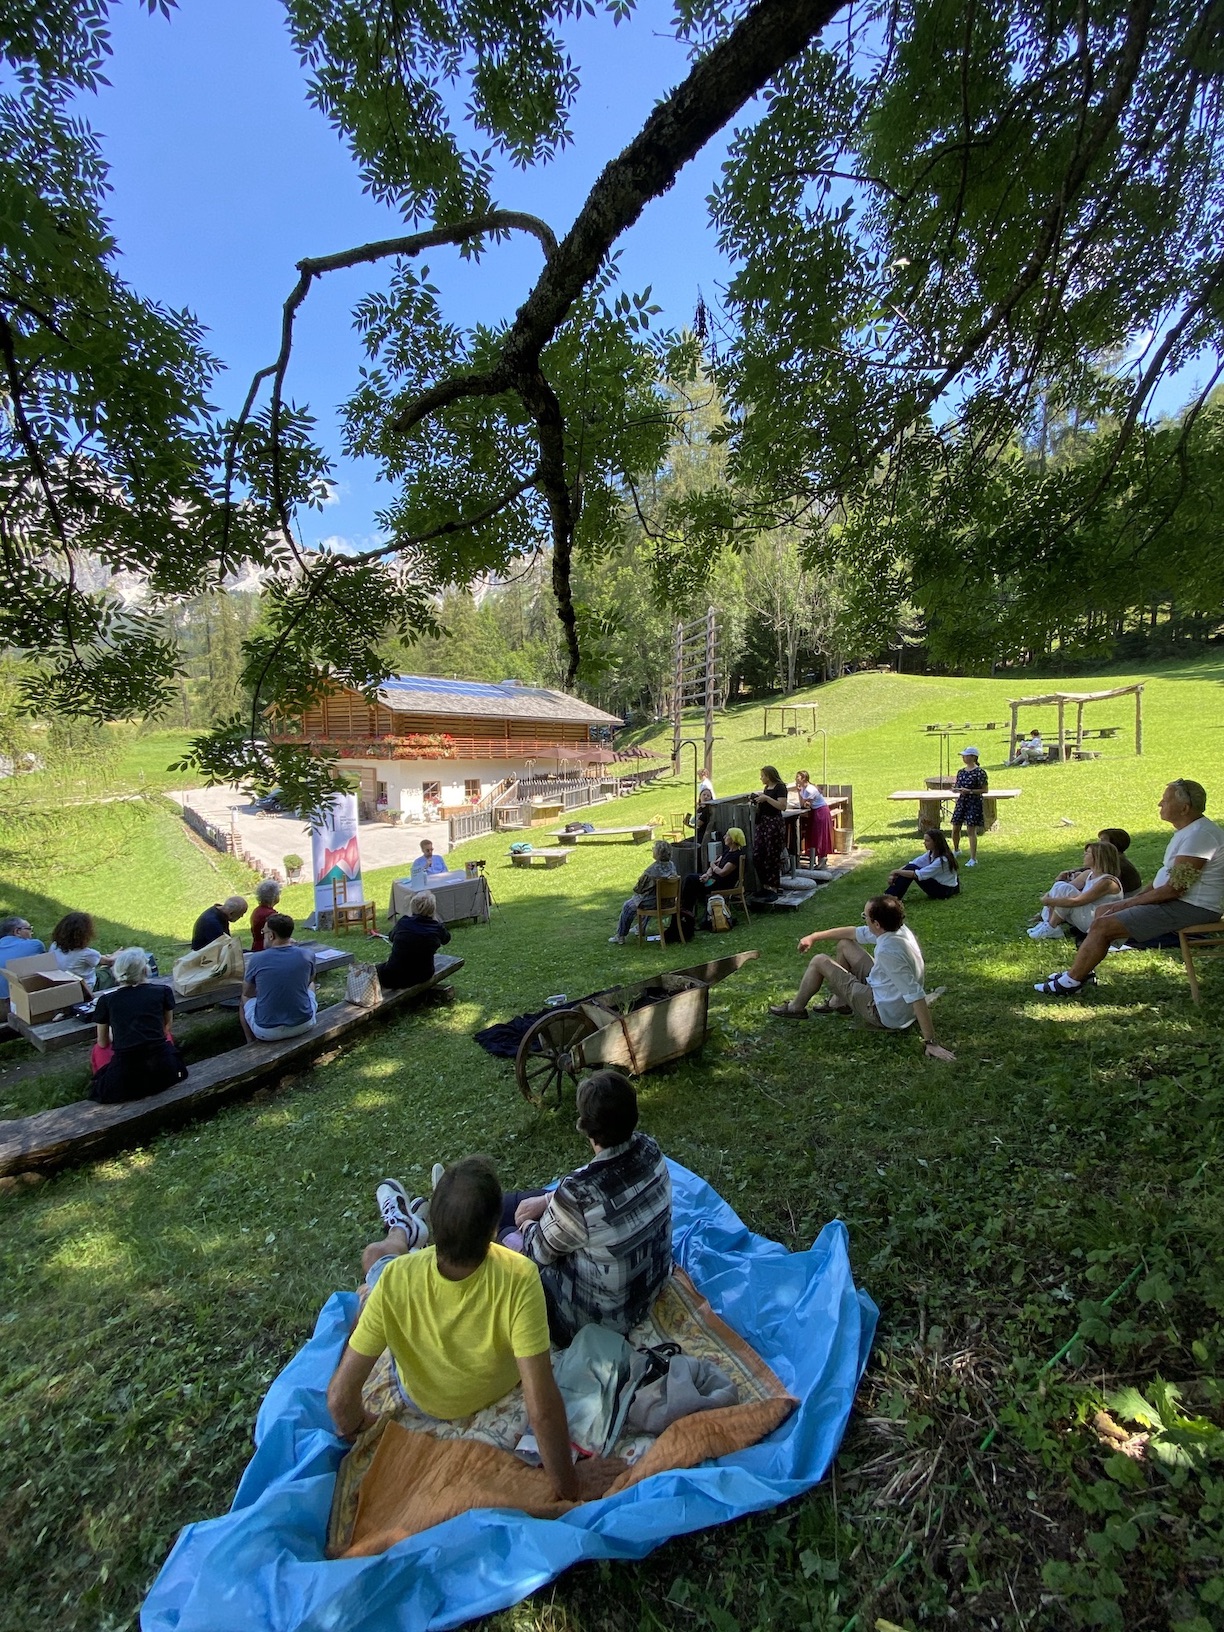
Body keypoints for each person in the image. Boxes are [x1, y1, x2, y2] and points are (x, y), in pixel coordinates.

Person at [328, 1156, 619, 1503]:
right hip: (495, 1386)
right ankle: (403, 1229)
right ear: (494, 1229)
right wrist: (569, 1484)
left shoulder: (395, 1281)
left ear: (439, 1225)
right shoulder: (520, 1276)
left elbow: (340, 1400)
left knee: (375, 1262)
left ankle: (402, 1231)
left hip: (420, 1401)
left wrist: (360, 1424)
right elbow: (540, 1407)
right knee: (377, 1260)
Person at [497, 1070, 673, 1345]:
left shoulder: (577, 1196)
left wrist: (526, 1224)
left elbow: (536, 1253)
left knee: (504, 1228)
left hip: (599, 1322)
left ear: (586, 1128)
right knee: (523, 1201)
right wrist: (546, 1201)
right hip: (653, 1285)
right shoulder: (650, 1148)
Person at [1036, 779, 1224, 996]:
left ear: (1184, 808)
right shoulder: (1190, 832)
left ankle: (1071, 982)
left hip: (1191, 907)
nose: (1159, 803)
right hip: (1179, 903)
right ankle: (1079, 973)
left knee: (1104, 925)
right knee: (1102, 917)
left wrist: (1128, 903)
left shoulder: (1200, 836)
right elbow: (1164, 879)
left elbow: (1176, 888)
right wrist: (1136, 899)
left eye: (1166, 800)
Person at [768, 894, 955, 1060]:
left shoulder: (888, 951)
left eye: (865, 916)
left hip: (882, 1012)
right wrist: (814, 936)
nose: (863, 919)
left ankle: (795, 1008)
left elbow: (915, 995)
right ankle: (838, 1002)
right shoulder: (897, 930)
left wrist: (931, 1042)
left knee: (819, 960)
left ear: (876, 924)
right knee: (844, 944)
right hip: (885, 991)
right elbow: (851, 933)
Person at [89, 947, 187, 1104]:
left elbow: (103, 1042)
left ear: (117, 972)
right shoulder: (162, 991)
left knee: (99, 1050)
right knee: (165, 1038)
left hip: (125, 1080)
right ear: (145, 970)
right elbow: (165, 1028)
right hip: (166, 1071)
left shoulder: (106, 1001)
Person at [240, 912, 318, 1041]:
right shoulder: (308, 954)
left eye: (263, 932)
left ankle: (250, 1041)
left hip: (267, 1032)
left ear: (271, 935)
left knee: (244, 998)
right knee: (311, 985)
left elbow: (248, 992)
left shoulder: (257, 959)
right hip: (304, 1024)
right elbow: (308, 982)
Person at [1028, 840, 1124, 941]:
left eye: (1087, 853)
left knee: (1066, 894)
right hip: (1086, 916)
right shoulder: (1088, 874)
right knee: (1062, 887)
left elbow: (1078, 901)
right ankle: (1049, 925)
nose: (1084, 855)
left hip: (1096, 922)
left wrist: (1047, 901)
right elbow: (1061, 889)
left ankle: (1051, 926)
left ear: (1098, 857)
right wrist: (1056, 884)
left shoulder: (1107, 882)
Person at [377, 889, 451, 990]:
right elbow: (446, 939)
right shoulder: (437, 928)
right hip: (422, 974)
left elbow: (391, 937)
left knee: (377, 969)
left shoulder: (403, 922)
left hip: (393, 977)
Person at [609, 839, 678, 944]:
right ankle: (639, 928)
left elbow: (640, 888)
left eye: (654, 849)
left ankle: (620, 935)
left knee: (628, 905)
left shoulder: (651, 870)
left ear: (658, 853)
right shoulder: (671, 865)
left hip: (655, 903)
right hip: (669, 902)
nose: (652, 850)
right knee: (647, 900)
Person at [681, 827, 746, 923]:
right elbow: (715, 865)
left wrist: (711, 865)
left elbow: (722, 872)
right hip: (713, 880)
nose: (724, 837)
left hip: (721, 884)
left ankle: (686, 911)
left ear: (733, 839)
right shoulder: (727, 852)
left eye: (727, 835)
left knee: (691, 880)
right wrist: (707, 874)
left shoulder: (736, 856)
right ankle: (687, 910)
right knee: (690, 879)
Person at [885, 830, 960, 901]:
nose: (924, 843)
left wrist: (896, 871)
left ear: (936, 842)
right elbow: (912, 863)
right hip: (950, 886)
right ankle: (891, 895)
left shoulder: (943, 859)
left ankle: (890, 897)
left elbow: (918, 875)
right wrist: (895, 873)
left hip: (945, 890)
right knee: (910, 867)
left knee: (911, 869)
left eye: (927, 841)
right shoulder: (932, 853)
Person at [49, 911, 114, 992]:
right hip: (85, 989)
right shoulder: (87, 954)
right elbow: (109, 962)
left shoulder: (54, 946)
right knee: (112, 971)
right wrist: (120, 954)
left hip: (63, 984)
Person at [751, 765, 789, 896]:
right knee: (758, 855)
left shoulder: (780, 787)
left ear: (769, 776)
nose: (761, 778)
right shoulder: (767, 788)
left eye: (762, 776)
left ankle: (773, 886)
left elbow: (782, 806)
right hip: (763, 822)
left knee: (771, 855)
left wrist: (766, 798)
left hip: (774, 823)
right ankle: (765, 884)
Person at [950, 747, 989, 866]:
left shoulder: (980, 772)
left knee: (971, 830)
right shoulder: (961, 772)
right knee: (956, 826)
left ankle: (973, 858)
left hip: (974, 802)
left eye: (966, 756)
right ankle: (956, 850)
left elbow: (985, 790)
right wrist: (956, 790)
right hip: (962, 802)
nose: (963, 758)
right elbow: (958, 786)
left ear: (973, 757)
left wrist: (970, 791)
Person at [795, 770, 834, 869]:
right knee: (814, 835)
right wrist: (799, 792)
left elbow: (804, 804)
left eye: (798, 777)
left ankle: (822, 859)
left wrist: (801, 796)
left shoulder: (810, 790)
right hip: (815, 812)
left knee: (820, 835)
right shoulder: (804, 789)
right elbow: (802, 804)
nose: (796, 779)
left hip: (821, 812)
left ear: (803, 778)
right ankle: (818, 859)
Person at [0, 915, 44, 999]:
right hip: (13, 1000)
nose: (31, 933)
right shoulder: (35, 945)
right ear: (17, 931)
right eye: (29, 929)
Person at [1098, 828, 1143, 896]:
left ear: (1114, 844)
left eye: (1102, 840)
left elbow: (1101, 884)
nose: (1098, 844)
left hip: (1126, 898)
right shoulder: (1115, 859)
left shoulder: (1115, 863)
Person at [249, 880, 282, 952]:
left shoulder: (257, 911)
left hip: (257, 946)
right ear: (274, 896)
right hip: (267, 948)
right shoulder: (270, 914)